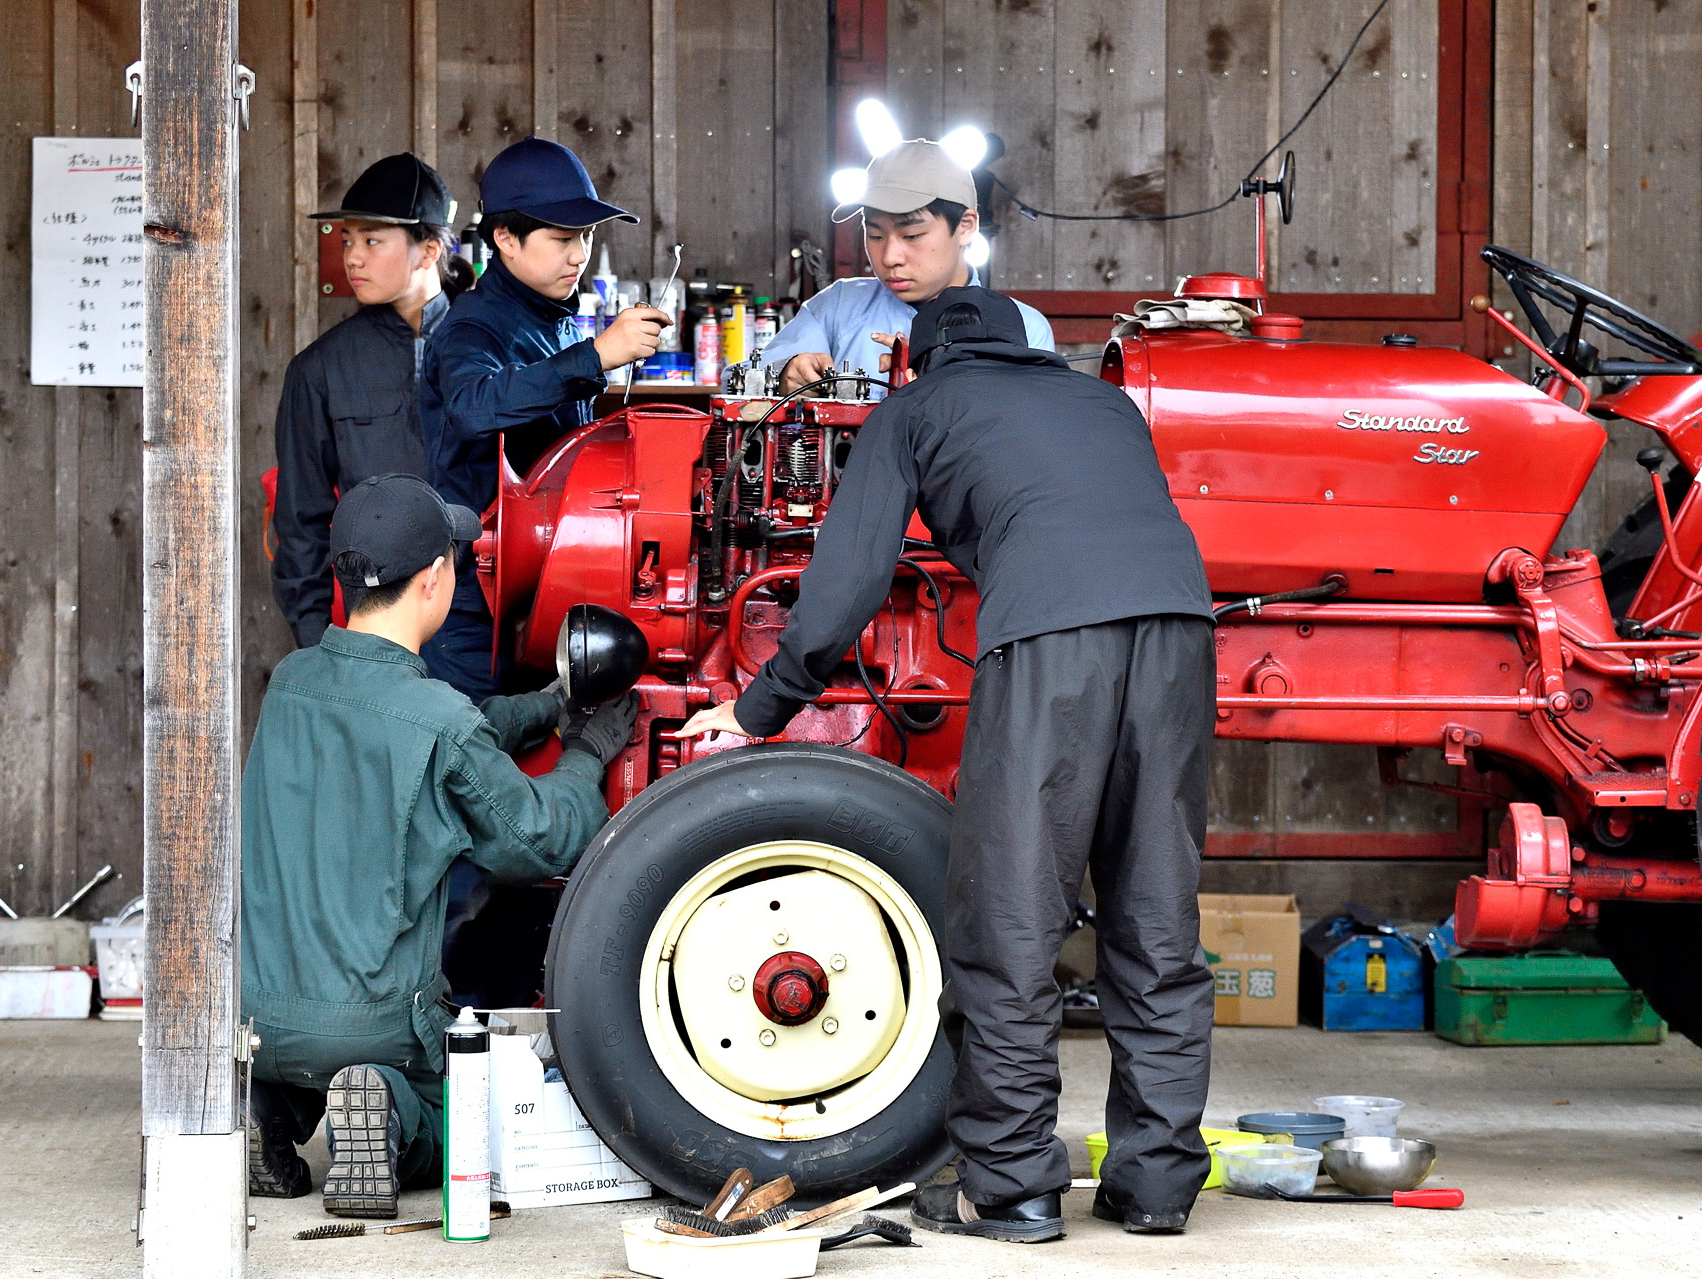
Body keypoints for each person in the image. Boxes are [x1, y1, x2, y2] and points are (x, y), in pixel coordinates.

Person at [676, 287, 1217, 1243]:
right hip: (1180, 631)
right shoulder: (1102, 402)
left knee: (1010, 916)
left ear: (923, 359)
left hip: (1052, 639)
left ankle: (1012, 1186)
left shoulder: (917, 407)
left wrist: (759, 706)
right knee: (1155, 913)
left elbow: (846, 583)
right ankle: (1157, 1184)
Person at [241, 474, 637, 1218]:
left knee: (302, 1041)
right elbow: (535, 838)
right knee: (475, 1131)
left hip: (260, 1015)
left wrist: (545, 707)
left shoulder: (290, 683)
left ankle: (271, 1111)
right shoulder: (439, 722)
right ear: (435, 580)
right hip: (374, 1026)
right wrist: (587, 750)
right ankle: (389, 1108)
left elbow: (428, 729)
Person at [421, 136, 668, 701]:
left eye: (584, 236)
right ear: (505, 238)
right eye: (562, 238)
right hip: (474, 603)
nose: (579, 254)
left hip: (543, 587)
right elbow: (472, 406)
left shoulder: (556, 320)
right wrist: (597, 357)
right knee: (477, 767)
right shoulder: (471, 327)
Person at [272, 153, 465, 648]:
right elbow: (300, 525)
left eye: (372, 240)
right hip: (375, 637)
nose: (352, 257)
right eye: (347, 240)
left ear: (428, 249)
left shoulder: (489, 351)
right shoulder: (319, 370)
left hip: (482, 632)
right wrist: (319, 650)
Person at [759, 139, 1055, 396]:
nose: (889, 257)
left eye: (911, 235)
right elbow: (741, 377)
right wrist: (786, 375)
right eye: (875, 235)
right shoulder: (837, 307)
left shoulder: (1025, 328)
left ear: (965, 227)